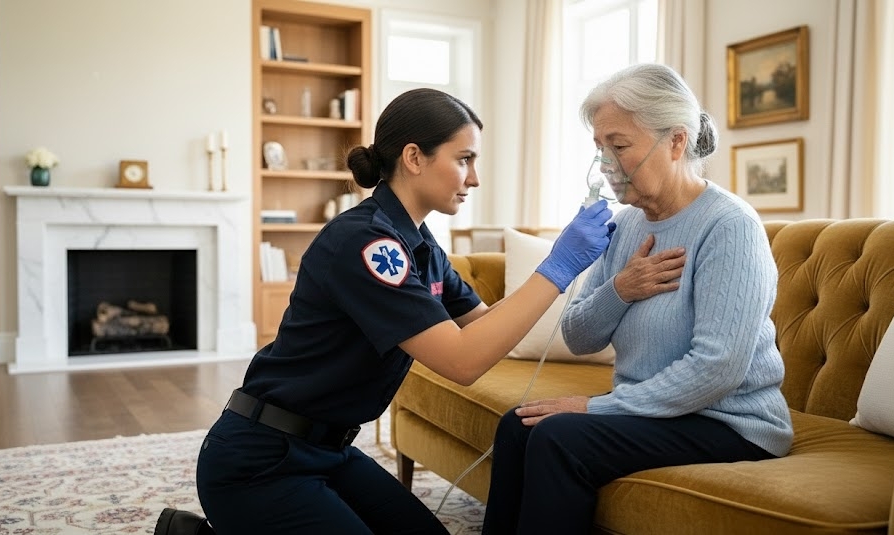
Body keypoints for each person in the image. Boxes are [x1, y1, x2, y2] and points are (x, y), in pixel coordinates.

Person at [157, 88, 615, 535]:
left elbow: (487, 328)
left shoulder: (422, 247)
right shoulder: (367, 244)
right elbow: (462, 361)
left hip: (330, 452)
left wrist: (615, 290)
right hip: (262, 463)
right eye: (464, 160)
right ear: (414, 158)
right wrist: (556, 265)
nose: (474, 179)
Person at [481, 63, 794, 535]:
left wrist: (595, 407)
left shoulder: (730, 226)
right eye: (599, 147)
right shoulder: (626, 225)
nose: (604, 164)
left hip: (727, 420)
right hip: (650, 409)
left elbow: (718, 367)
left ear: (676, 141)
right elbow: (579, 336)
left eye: (619, 145)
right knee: (515, 425)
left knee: (558, 438)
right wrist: (620, 289)